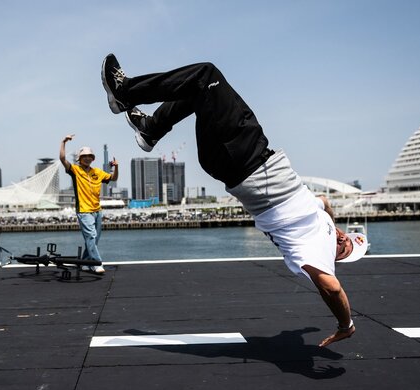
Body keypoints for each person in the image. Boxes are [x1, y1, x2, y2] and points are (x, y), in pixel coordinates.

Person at [101, 55, 368, 347]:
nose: (343, 239)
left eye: (344, 247)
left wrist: (346, 324)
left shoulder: (314, 252)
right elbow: (324, 200)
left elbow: (331, 288)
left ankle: (126, 92)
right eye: (348, 238)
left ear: (336, 257)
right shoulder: (323, 225)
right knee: (200, 89)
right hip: (247, 152)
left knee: (206, 75)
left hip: (241, 159)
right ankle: (151, 128)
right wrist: (333, 221)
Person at [59, 134, 118, 274]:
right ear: (80, 158)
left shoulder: (97, 172)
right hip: (84, 211)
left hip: (97, 210)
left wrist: (116, 167)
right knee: (91, 236)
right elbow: (62, 159)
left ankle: (86, 262)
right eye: (84, 156)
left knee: (94, 239)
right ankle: (96, 263)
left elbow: (113, 178)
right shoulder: (75, 170)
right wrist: (64, 142)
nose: (87, 158)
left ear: (93, 158)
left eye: (89, 156)